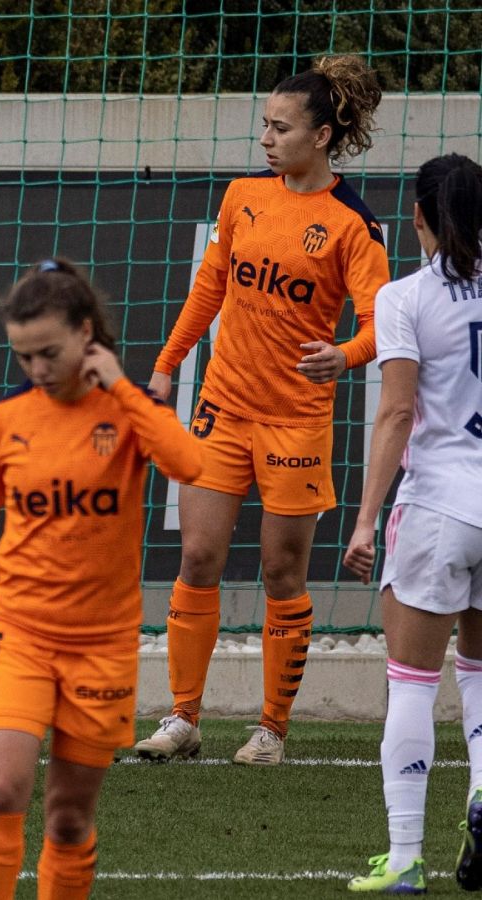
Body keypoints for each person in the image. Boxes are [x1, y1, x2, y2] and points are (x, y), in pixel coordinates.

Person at [134, 54, 390, 766]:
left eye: (280, 128)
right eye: (264, 126)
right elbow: (209, 288)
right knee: (198, 555)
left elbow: (380, 324)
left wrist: (344, 355)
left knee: (281, 574)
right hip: (224, 407)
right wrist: (165, 366)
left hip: (296, 421)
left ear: (322, 135)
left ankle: (272, 728)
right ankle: (183, 717)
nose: (267, 139)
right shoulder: (243, 195)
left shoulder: (351, 226)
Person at [0, 259, 203, 899]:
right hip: (17, 633)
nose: (38, 371)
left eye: (49, 353)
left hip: (102, 646)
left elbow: (190, 463)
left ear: (87, 334)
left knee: (70, 819)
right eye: (24, 358)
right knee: (0, 791)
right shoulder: (4, 422)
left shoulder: (128, 413)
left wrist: (126, 389)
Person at [341, 153, 482, 894]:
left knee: (414, 682)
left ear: (419, 217)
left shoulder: (405, 296)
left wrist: (366, 520)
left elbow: (397, 411)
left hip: (439, 506)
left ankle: (403, 857)